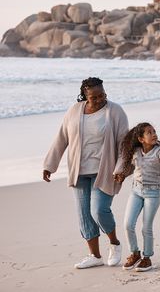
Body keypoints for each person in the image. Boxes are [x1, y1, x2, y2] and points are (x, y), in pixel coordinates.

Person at [43, 77, 129, 269]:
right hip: (79, 171)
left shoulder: (115, 111)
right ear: (84, 96)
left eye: (102, 95)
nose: (100, 99)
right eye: (94, 97)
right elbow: (62, 137)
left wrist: (122, 168)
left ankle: (114, 243)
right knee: (84, 215)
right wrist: (50, 164)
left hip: (105, 170)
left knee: (98, 210)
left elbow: (125, 144)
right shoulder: (74, 111)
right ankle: (95, 255)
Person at [114, 122, 160, 272]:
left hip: (153, 194)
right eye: (149, 132)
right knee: (128, 224)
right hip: (136, 191)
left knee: (146, 227)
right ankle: (135, 254)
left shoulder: (159, 151)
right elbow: (131, 168)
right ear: (141, 139)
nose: (154, 134)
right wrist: (122, 175)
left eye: (154, 131)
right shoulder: (136, 152)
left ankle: (147, 258)